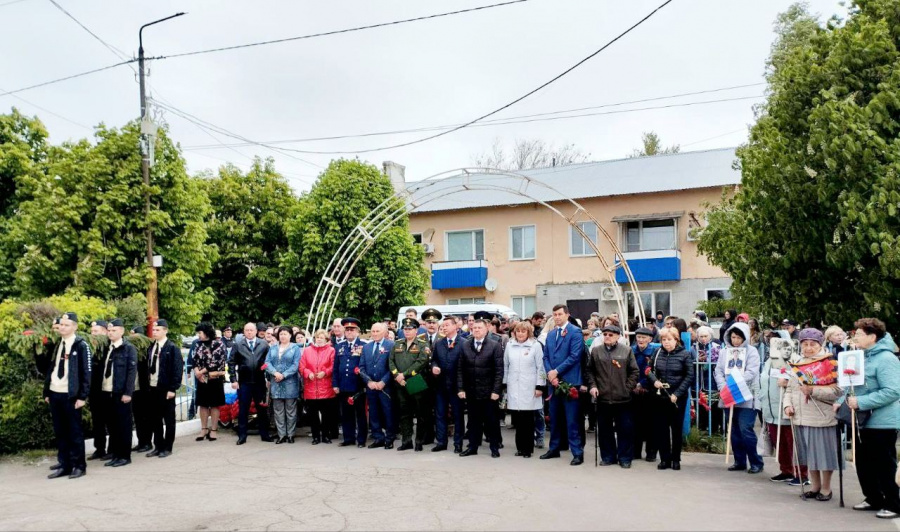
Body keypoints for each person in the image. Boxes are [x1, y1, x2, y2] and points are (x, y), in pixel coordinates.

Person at [837, 318, 900, 519]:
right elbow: (851, 383)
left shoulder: (886, 359)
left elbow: (893, 391)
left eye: (859, 334)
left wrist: (862, 402)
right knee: (864, 462)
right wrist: (841, 399)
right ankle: (873, 497)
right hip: (860, 419)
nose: (855, 336)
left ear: (873, 337)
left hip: (882, 421)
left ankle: (894, 503)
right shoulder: (861, 356)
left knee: (883, 464)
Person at [784, 328, 843, 501]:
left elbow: (837, 391)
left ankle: (826, 488)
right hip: (800, 417)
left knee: (823, 455)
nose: (808, 348)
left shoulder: (829, 363)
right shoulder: (798, 363)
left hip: (821, 417)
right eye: (805, 344)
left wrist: (813, 390)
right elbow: (790, 389)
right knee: (809, 455)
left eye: (812, 344)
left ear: (820, 344)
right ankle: (815, 486)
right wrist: (787, 405)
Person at [44, 312, 91, 479]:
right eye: (61, 325)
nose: (62, 327)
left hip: (71, 396)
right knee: (60, 432)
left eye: (66, 325)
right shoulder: (58, 344)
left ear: (75, 327)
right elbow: (52, 368)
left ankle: (79, 465)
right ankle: (64, 464)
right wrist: (47, 391)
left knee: (74, 432)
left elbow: (86, 373)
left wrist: (82, 396)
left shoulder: (81, 345)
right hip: (55, 393)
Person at [586, 324, 640, 468]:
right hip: (603, 397)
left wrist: (627, 388)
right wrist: (593, 386)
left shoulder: (626, 350)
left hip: (623, 398)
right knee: (604, 429)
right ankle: (608, 456)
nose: (607, 337)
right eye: (605, 334)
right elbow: (590, 371)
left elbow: (634, 372)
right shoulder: (596, 351)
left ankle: (625, 457)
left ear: (618, 336)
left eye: (611, 335)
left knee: (625, 429)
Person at [715, 322, 763, 474]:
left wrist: (735, 383)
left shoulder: (752, 351)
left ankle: (756, 461)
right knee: (734, 429)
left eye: (739, 338)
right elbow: (718, 371)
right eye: (733, 337)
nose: (735, 341)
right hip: (728, 394)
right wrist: (724, 386)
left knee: (745, 428)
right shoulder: (724, 352)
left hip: (747, 395)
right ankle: (739, 460)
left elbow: (752, 371)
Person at [540, 304, 585, 466]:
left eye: (559, 314)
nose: (557, 317)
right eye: (554, 315)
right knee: (554, 418)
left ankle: (577, 452)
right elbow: (545, 357)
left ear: (567, 315)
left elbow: (574, 356)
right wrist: (550, 374)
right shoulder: (551, 335)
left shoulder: (575, 332)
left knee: (572, 420)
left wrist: (556, 371)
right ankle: (554, 448)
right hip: (554, 383)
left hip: (570, 382)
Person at [648, 327, 694, 470]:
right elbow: (649, 370)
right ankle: (664, 459)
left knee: (676, 429)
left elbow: (689, 376)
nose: (666, 342)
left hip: (676, 397)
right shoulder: (657, 353)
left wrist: (677, 394)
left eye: (669, 339)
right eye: (663, 340)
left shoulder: (685, 354)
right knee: (661, 429)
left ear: (676, 340)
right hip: (660, 396)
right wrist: (654, 380)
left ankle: (676, 459)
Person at [760, 344, 806, 484]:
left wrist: (788, 383)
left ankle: (801, 474)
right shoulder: (770, 361)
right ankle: (786, 470)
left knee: (794, 444)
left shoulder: (797, 360)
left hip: (787, 408)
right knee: (779, 443)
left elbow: (805, 381)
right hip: (771, 410)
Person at [458, 318, 504, 457]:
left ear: (486, 329)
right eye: (474, 328)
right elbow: (460, 369)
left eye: (480, 328)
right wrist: (461, 389)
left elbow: (499, 370)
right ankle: (473, 447)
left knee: (492, 421)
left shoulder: (494, 345)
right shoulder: (466, 345)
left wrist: (496, 390)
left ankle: (494, 447)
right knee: (473, 421)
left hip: (489, 392)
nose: (476, 330)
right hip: (471, 391)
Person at [94, 318, 137, 467]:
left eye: (114, 331)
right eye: (109, 331)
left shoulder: (128, 348)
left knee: (123, 425)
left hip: (120, 393)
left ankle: (125, 456)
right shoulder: (107, 348)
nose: (111, 333)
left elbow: (132, 372)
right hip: (107, 392)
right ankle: (116, 454)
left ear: (122, 331)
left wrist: (128, 393)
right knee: (112, 426)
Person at [390, 318, 432, 451]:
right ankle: (406, 441)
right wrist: (397, 375)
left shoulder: (422, 344)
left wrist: (405, 374)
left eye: (410, 329)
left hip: (416, 381)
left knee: (420, 413)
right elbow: (391, 361)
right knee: (404, 412)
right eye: (405, 329)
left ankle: (419, 441)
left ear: (416, 330)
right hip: (400, 382)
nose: (407, 331)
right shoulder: (397, 344)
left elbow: (421, 362)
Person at [503, 321, 544, 458]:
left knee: (528, 419)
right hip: (514, 386)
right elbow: (506, 366)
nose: (520, 334)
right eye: (518, 331)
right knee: (518, 420)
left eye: (523, 331)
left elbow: (540, 367)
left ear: (528, 333)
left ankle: (528, 448)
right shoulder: (509, 345)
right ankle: (519, 447)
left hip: (529, 386)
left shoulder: (535, 346)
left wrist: (539, 386)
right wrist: (504, 384)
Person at [229, 322, 273, 445]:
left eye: (251, 330)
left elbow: (268, 362)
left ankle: (265, 434)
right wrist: (233, 379)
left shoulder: (263, 344)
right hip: (244, 382)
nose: (249, 332)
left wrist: (268, 378)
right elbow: (231, 362)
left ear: (255, 331)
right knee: (243, 409)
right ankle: (242, 435)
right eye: (247, 330)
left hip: (259, 382)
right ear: (244, 331)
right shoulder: (238, 345)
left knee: (262, 409)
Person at [333, 317, 368, 448]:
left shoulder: (364, 345)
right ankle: (348, 438)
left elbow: (365, 366)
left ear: (357, 331)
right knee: (346, 414)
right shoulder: (340, 346)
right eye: (347, 329)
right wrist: (335, 384)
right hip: (344, 385)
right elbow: (336, 367)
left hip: (358, 386)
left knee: (360, 414)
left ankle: (361, 439)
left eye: (352, 329)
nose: (349, 332)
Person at [432, 316, 465, 453]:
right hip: (441, 385)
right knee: (440, 414)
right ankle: (441, 442)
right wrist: (434, 367)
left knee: (458, 415)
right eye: (443, 325)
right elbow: (434, 360)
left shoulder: (464, 343)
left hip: (457, 386)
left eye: (447, 325)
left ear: (455, 326)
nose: (444, 328)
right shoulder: (439, 343)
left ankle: (458, 443)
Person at [359, 323, 396, 449]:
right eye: (373, 331)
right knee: (373, 413)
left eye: (377, 331)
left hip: (385, 386)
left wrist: (383, 382)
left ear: (385, 332)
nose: (374, 333)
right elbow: (361, 367)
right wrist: (369, 382)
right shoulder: (366, 347)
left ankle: (390, 438)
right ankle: (378, 437)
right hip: (371, 386)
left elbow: (393, 367)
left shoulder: (391, 345)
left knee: (388, 412)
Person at [192, 322, 227, 443]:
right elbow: (194, 360)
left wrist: (201, 371)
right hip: (202, 379)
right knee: (203, 404)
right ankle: (203, 429)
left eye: (200, 333)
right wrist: (197, 371)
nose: (198, 335)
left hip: (214, 378)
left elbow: (215, 362)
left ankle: (214, 430)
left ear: (206, 332)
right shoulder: (197, 344)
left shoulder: (218, 344)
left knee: (214, 404)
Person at [266, 326, 301, 444]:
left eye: (285, 334)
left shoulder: (295, 348)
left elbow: (296, 365)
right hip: (276, 383)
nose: (283, 336)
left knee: (291, 410)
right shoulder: (273, 348)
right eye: (281, 334)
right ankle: (281, 435)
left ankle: (291, 434)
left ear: (290, 335)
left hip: (290, 383)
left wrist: (284, 375)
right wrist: (275, 372)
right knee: (278, 410)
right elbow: (267, 362)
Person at [301, 329, 337, 444]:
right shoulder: (307, 351)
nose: (319, 339)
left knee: (327, 415)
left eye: (322, 337)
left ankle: (326, 435)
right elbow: (302, 366)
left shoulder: (331, 350)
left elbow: (333, 366)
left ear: (326, 339)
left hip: (326, 387)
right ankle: (315, 437)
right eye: (317, 337)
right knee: (313, 415)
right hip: (311, 387)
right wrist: (308, 373)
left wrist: (325, 372)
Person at [631, 327, 660, 461]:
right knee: (635, 422)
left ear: (650, 339)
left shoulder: (654, 352)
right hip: (634, 391)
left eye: (644, 337)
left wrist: (642, 384)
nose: (641, 340)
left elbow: (653, 371)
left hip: (649, 391)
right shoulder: (631, 351)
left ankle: (651, 452)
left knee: (651, 424)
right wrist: (633, 385)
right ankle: (635, 452)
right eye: (639, 337)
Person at [695, 326, 724, 435]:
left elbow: (719, 365)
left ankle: (715, 430)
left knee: (715, 408)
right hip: (698, 382)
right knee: (701, 408)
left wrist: (707, 360)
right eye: (701, 336)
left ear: (710, 336)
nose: (703, 339)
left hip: (712, 382)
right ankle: (702, 430)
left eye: (705, 336)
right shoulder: (694, 347)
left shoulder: (716, 347)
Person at [130, 325, 153, 454]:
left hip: (144, 390)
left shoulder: (145, 352)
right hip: (134, 389)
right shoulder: (132, 352)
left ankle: (147, 442)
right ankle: (141, 442)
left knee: (145, 417)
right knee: (138, 418)